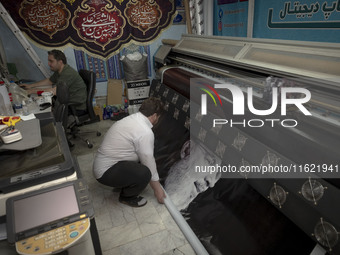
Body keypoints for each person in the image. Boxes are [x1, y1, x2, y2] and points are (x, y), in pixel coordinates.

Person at [93, 97, 166, 207]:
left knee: (144, 158)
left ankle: (123, 182)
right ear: (154, 116)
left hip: (104, 165)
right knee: (145, 173)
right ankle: (127, 197)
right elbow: (148, 161)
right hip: (105, 172)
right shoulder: (144, 132)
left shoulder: (133, 119)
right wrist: (158, 189)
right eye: (159, 117)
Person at [20, 49, 87, 112]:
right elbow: (50, 81)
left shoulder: (67, 73)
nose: (49, 64)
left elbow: (55, 91)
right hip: (68, 100)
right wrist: (30, 86)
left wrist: (31, 91)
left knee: (40, 108)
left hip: (76, 107)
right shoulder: (60, 70)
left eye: (51, 61)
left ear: (60, 62)